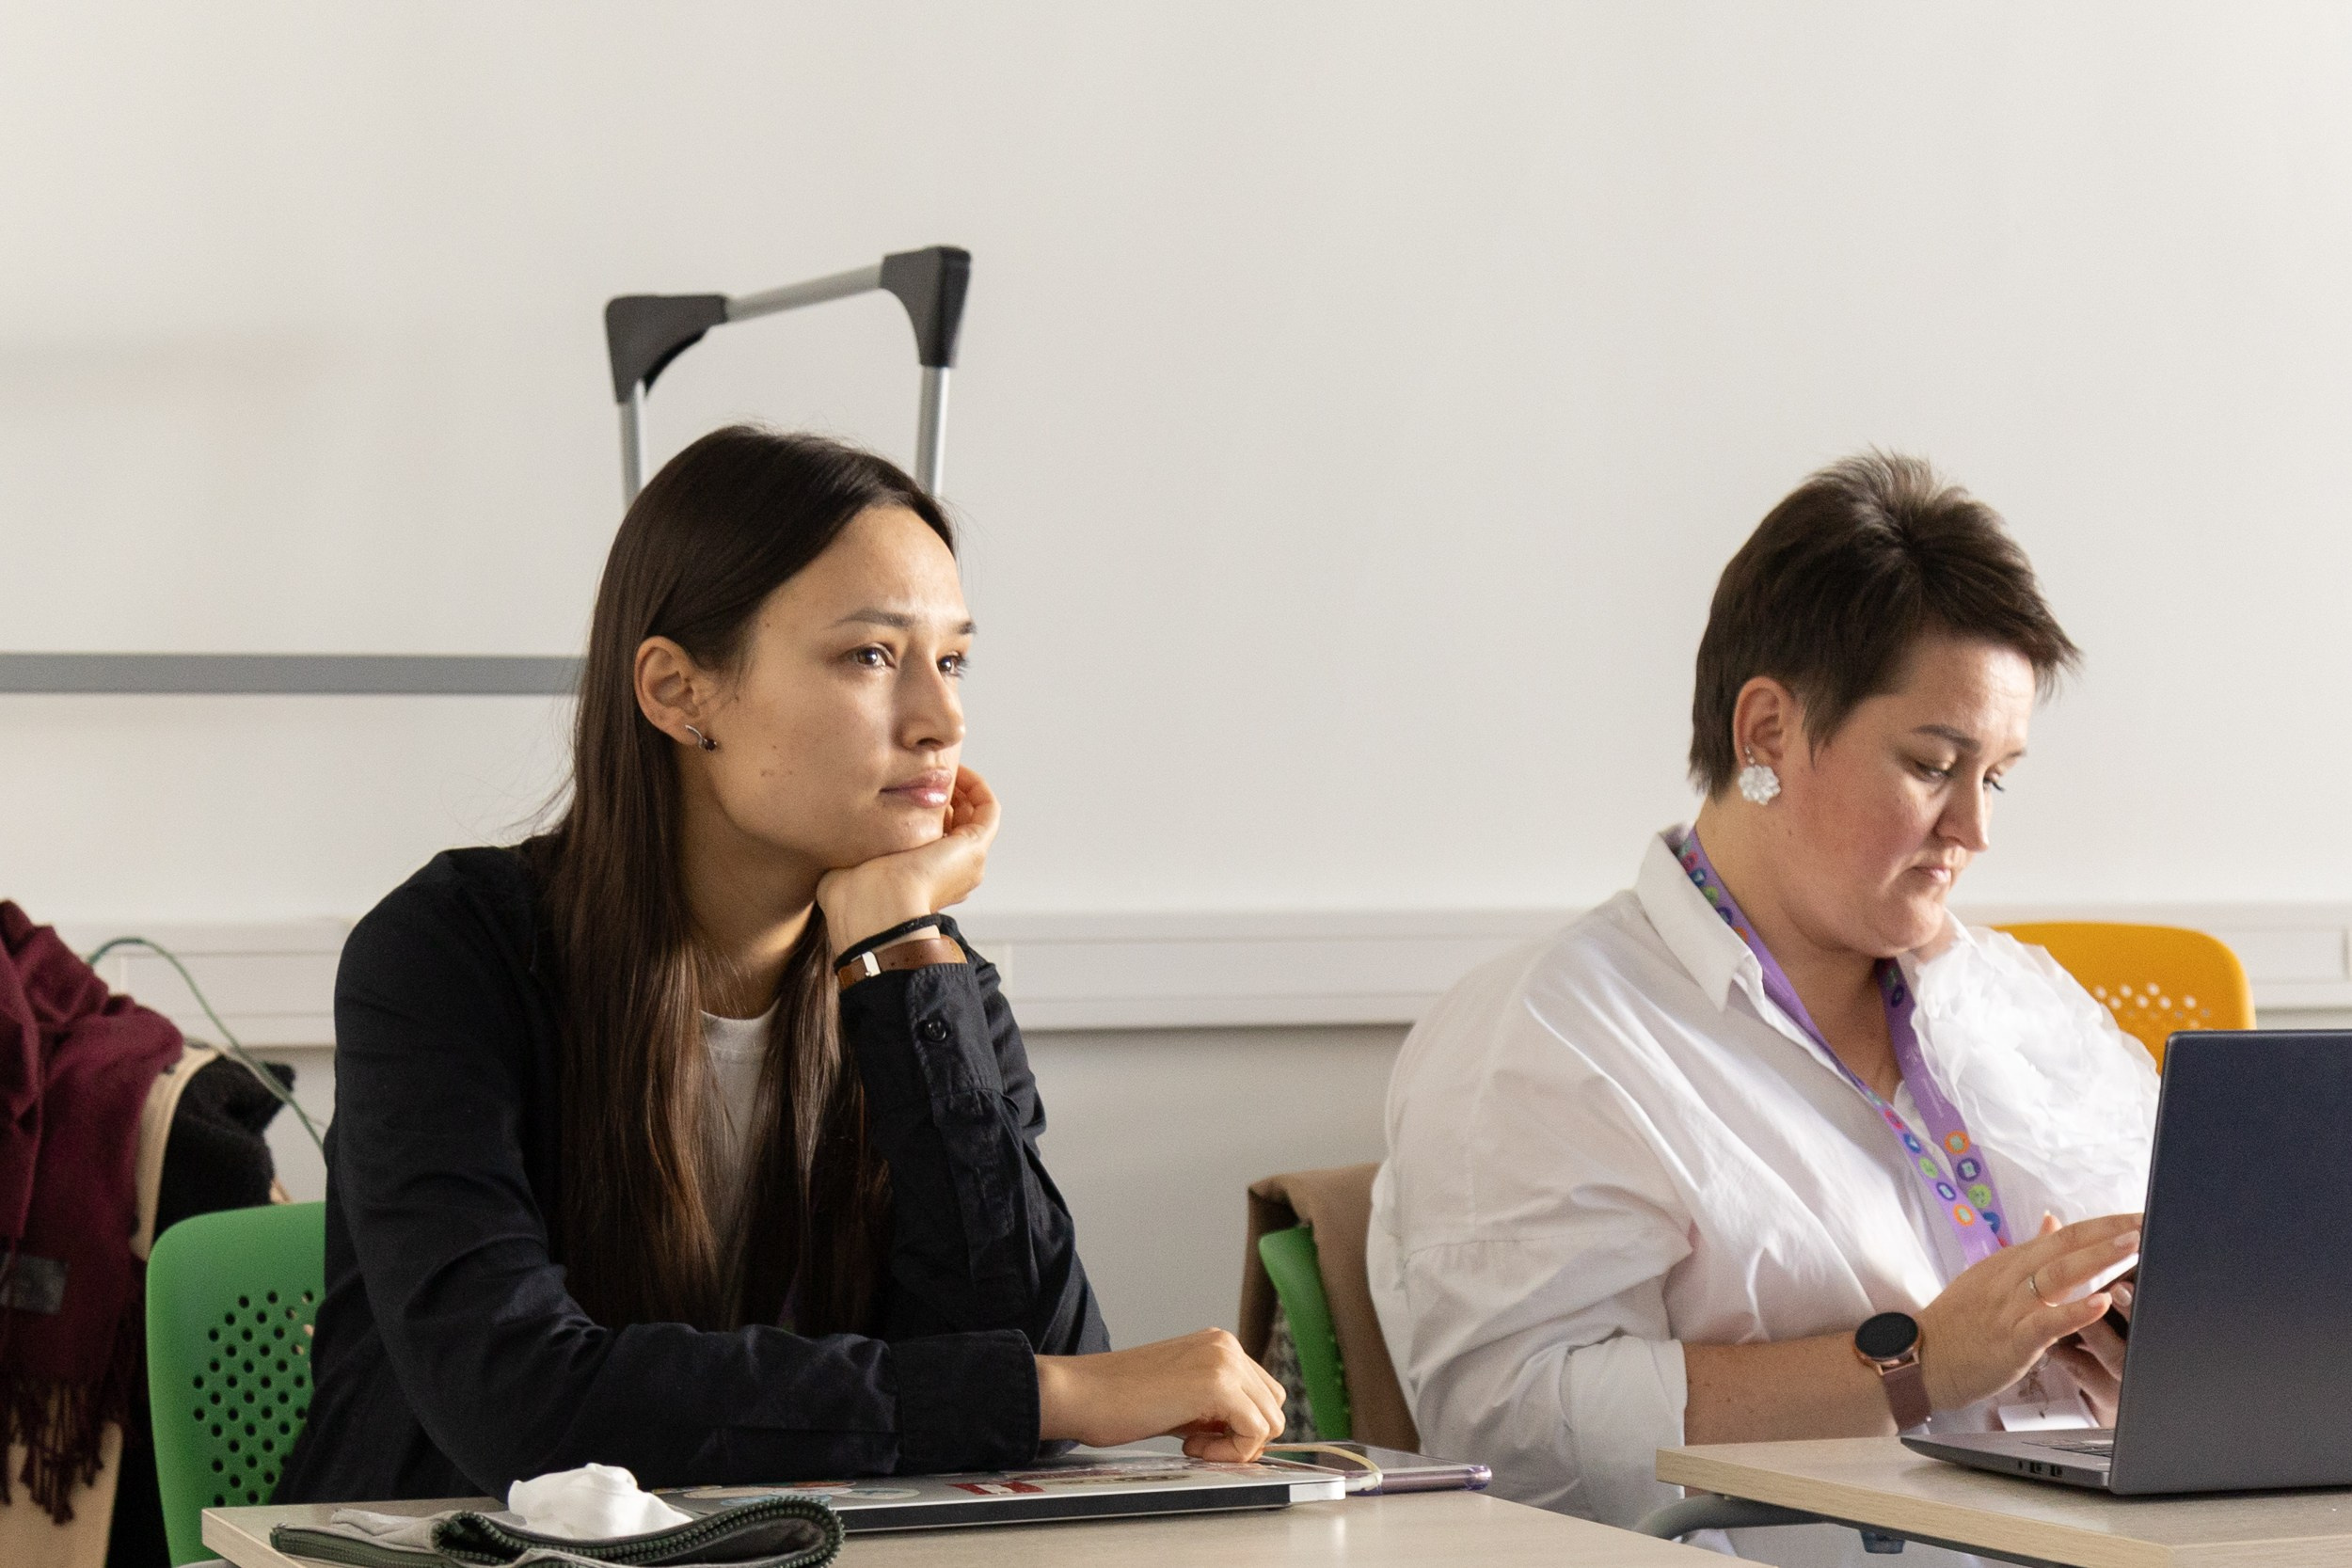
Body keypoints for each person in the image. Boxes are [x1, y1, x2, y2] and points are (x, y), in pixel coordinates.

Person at [280, 427, 1283, 1503]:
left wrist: (900, 952)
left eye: (951, 660)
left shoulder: (922, 982)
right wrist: (1044, 1393)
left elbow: (1025, 1360)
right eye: (871, 656)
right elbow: (521, 1401)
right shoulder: (448, 955)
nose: (941, 719)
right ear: (678, 691)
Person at [1367, 453, 2155, 1556]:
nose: (1975, 830)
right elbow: (1515, 1432)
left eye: (1996, 775)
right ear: (1767, 733)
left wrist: (2149, 1345)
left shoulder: (2019, 1002)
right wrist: (1923, 1361)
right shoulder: (1546, 1031)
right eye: (1933, 764)